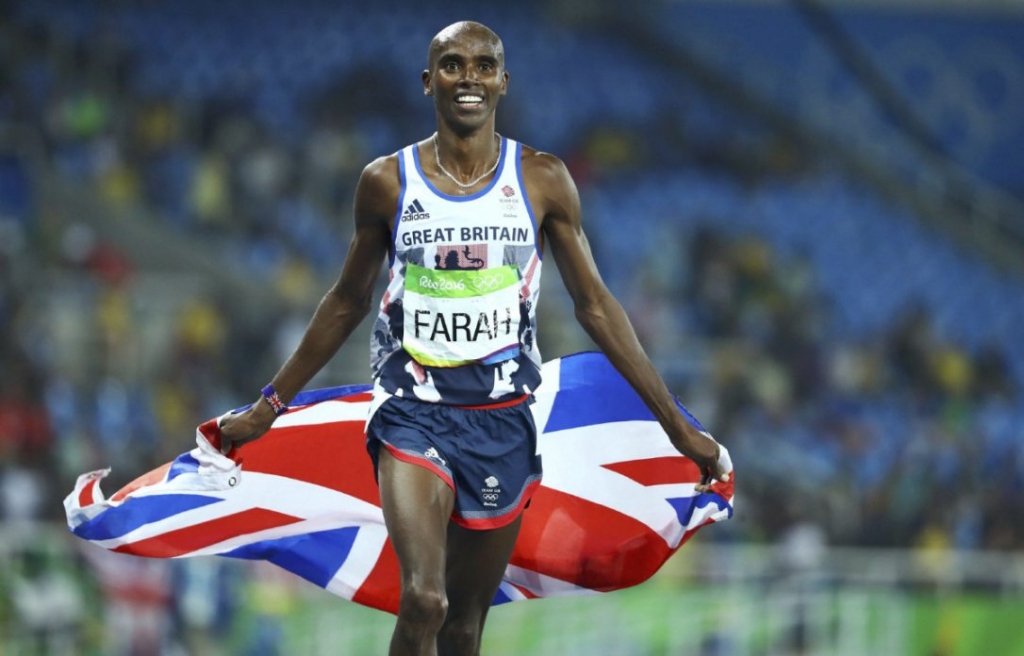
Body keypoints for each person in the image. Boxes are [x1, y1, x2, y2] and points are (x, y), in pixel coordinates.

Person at [220, 20, 729, 656]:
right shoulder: (387, 181)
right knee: (424, 600)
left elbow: (595, 306)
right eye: (454, 65)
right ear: (429, 81)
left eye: (484, 66)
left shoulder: (542, 180)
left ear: (503, 83)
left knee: (464, 626)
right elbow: (347, 301)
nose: (469, 78)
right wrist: (270, 405)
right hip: (413, 413)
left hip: (504, 420)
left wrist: (678, 429)